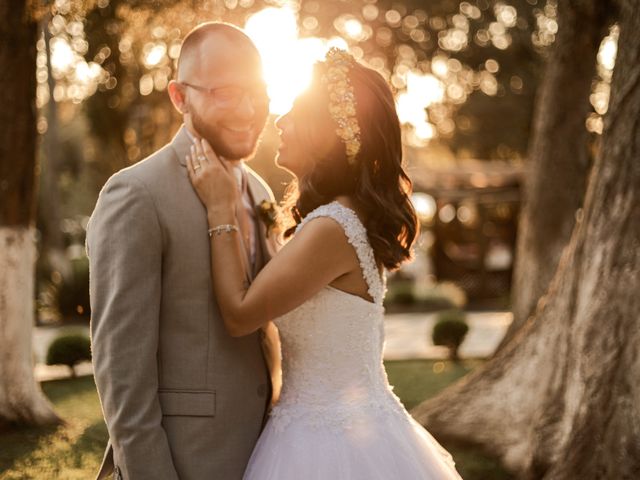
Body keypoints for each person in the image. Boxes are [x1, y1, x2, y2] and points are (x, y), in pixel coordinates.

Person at [186, 48, 463, 479]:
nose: (279, 121)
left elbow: (240, 315)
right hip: (334, 426)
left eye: (294, 113)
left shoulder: (333, 226)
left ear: (327, 134)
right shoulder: (339, 219)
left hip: (331, 443)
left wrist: (220, 209)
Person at [87, 22, 280, 480]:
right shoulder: (136, 194)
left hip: (265, 456)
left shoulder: (259, 188)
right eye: (226, 93)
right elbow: (122, 376)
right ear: (179, 97)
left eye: (257, 92)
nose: (248, 110)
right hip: (186, 462)